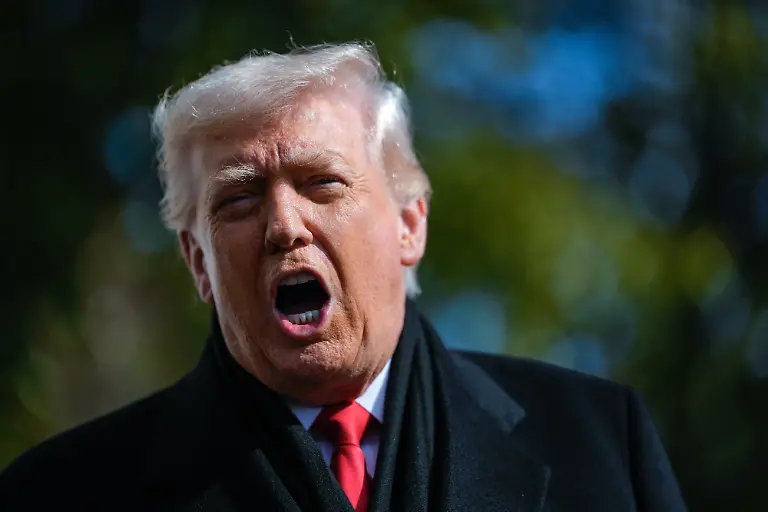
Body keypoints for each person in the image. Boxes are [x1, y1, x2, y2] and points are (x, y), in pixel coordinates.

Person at [0, 42, 687, 511]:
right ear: (197, 261)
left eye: (322, 183)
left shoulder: (599, 441)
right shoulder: (61, 492)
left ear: (409, 225)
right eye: (239, 199)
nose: (284, 225)